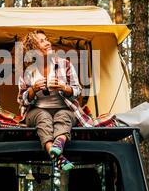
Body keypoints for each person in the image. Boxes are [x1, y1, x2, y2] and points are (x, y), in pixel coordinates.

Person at [17, 30, 93, 171]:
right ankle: (57, 157)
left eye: (46, 39)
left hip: (64, 108)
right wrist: (33, 90)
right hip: (37, 111)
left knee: (63, 116)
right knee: (43, 117)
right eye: (42, 41)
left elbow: (77, 91)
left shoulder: (65, 65)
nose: (48, 43)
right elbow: (22, 100)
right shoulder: (28, 72)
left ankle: (58, 145)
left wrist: (64, 88)